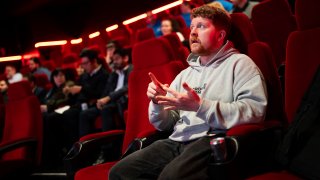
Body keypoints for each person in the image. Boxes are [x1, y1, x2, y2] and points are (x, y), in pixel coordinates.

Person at [109, 5, 267, 179]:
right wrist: (157, 102)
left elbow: (255, 111)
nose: (192, 32)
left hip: (212, 138)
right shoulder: (186, 74)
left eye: (201, 26)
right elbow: (164, 124)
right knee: (119, 173)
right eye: (192, 27)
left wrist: (199, 106)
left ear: (220, 36)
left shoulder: (240, 64)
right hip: (176, 141)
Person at [79, 48, 132, 138]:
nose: (114, 62)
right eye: (113, 60)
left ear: (126, 58)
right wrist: (100, 100)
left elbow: (126, 87)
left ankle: (107, 146)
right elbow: (107, 89)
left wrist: (108, 98)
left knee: (106, 109)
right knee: (84, 114)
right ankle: (87, 146)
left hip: (121, 101)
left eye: (117, 59)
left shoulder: (131, 69)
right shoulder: (114, 73)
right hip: (110, 101)